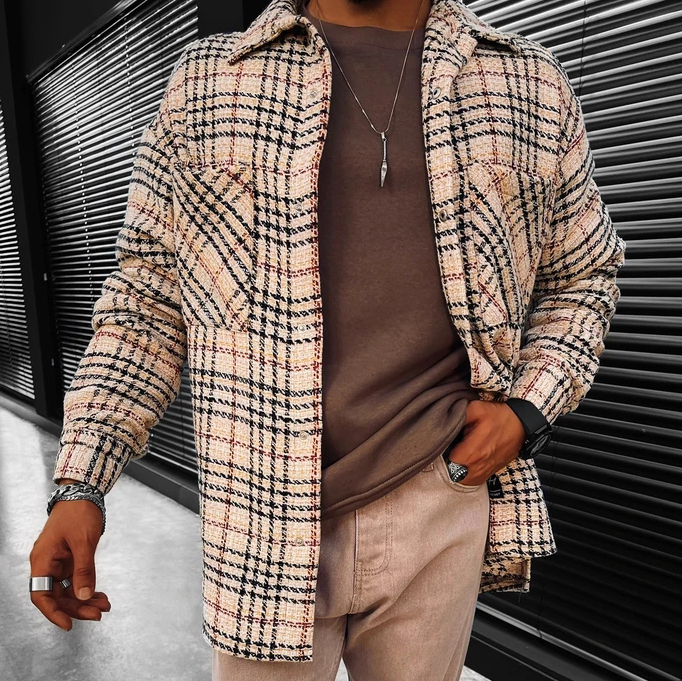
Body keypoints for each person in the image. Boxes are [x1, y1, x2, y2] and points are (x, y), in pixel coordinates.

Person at [29, 0, 626, 679]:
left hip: (437, 491)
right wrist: (81, 481)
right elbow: (148, 300)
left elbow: (585, 274)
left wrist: (528, 410)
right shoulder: (210, 81)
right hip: (260, 512)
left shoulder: (528, 84)